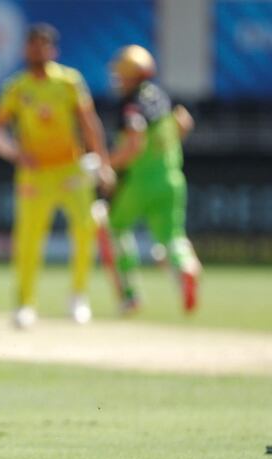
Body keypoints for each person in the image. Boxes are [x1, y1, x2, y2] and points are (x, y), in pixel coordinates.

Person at [0, 23, 114, 329]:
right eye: (33, 45)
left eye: (44, 46)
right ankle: (25, 304)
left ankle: (78, 296)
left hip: (71, 170)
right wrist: (15, 153)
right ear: (25, 49)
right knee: (28, 240)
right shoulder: (17, 87)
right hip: (34, 174)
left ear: (52, 50)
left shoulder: (68, 82)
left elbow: (89, 123)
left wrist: (104, 163)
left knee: (85, 231)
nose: (38, 51)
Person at [106, 44, 201, 313]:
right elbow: (184, 123)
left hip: (138, 182)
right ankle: (187, 267)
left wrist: (104, 163)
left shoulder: (131, 106)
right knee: (172, 238)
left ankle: (129, 294)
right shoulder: (161, 96)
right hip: (172, 178)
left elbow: (134, 144)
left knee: (114, 227)